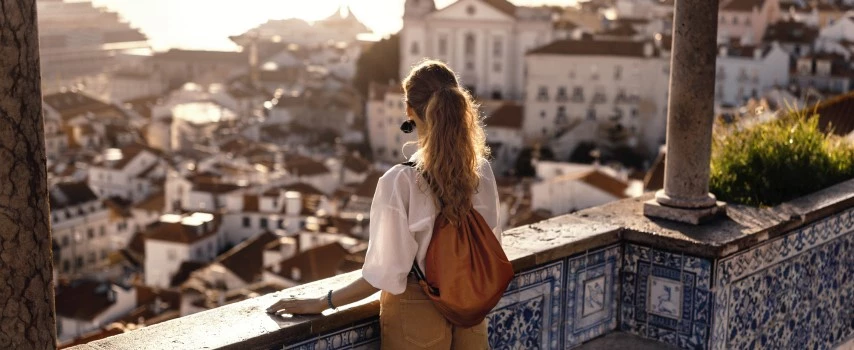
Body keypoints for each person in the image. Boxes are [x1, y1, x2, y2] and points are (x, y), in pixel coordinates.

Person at [266, 59, 502, 349]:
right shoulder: (483, 173)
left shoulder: (400, 182)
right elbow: (492, 244)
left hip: (417, 313)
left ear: (409, 111)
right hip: (471, 308)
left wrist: (321, 302)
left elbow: (384, 273)